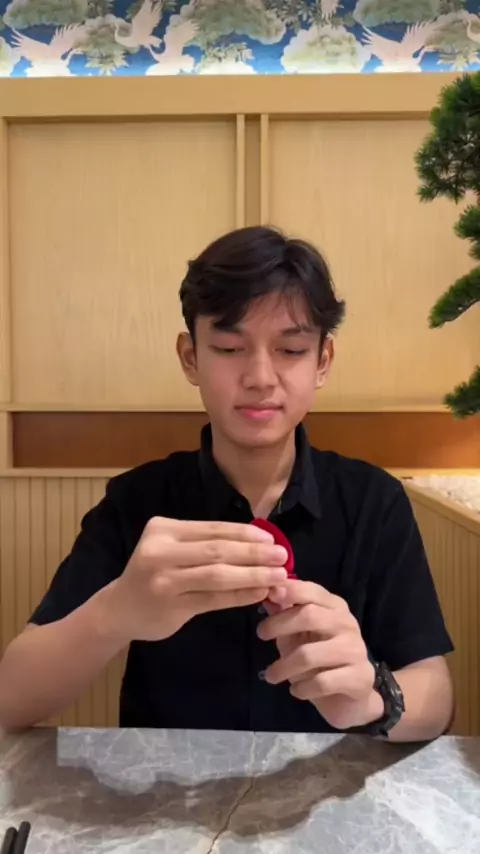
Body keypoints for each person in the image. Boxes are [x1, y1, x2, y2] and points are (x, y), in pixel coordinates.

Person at [0, 226, 454, 740]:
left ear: (323, 361)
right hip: (165, 785)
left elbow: (436, 695)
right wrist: (115, 612)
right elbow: (10, 702)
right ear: (191, 357)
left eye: (291, 349)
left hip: (333, 784)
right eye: (229, 347)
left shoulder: (373, 500)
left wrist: (371, 699)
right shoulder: (138, 502)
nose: (260, 376)